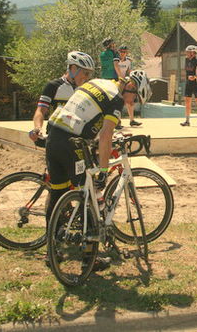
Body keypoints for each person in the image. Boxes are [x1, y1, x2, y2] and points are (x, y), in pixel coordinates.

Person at [45, 69, 152, 271]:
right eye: (134, 98)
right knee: (90, 196)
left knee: (57, 192)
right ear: (130, 87)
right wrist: (103, 171)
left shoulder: (99, 83)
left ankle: (51, 253)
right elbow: (105, 135)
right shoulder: (115, 99)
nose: (131, 103)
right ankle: (90, 259)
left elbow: (87, 116)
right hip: (71, 143)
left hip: (54, 137)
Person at [28, 51, 95, 145]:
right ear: (73, 68)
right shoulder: (53, 86)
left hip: (77, 137)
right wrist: (38, 128)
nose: (87, 77)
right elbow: (41, 110)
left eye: (89, 74)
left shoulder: (87, 88)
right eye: (85, 73)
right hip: (56, 135)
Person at [180, 45, 197, 127]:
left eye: (188, 52)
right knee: (187, 101)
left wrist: (195, 77)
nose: (186, 53)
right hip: (188, 82)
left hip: (196, 82)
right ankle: (187, 121)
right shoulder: (186, 59)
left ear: (192, 53)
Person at [117, 45, 142, 127]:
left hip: (125, 80)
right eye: (121, 51)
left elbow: (129, 71)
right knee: (118, 101)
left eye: (124, 52)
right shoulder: (116, 60)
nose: (122, 53)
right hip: (117, 80)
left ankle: (132, 120)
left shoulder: (129, 61)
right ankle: (118, 121)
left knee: (130, 101)